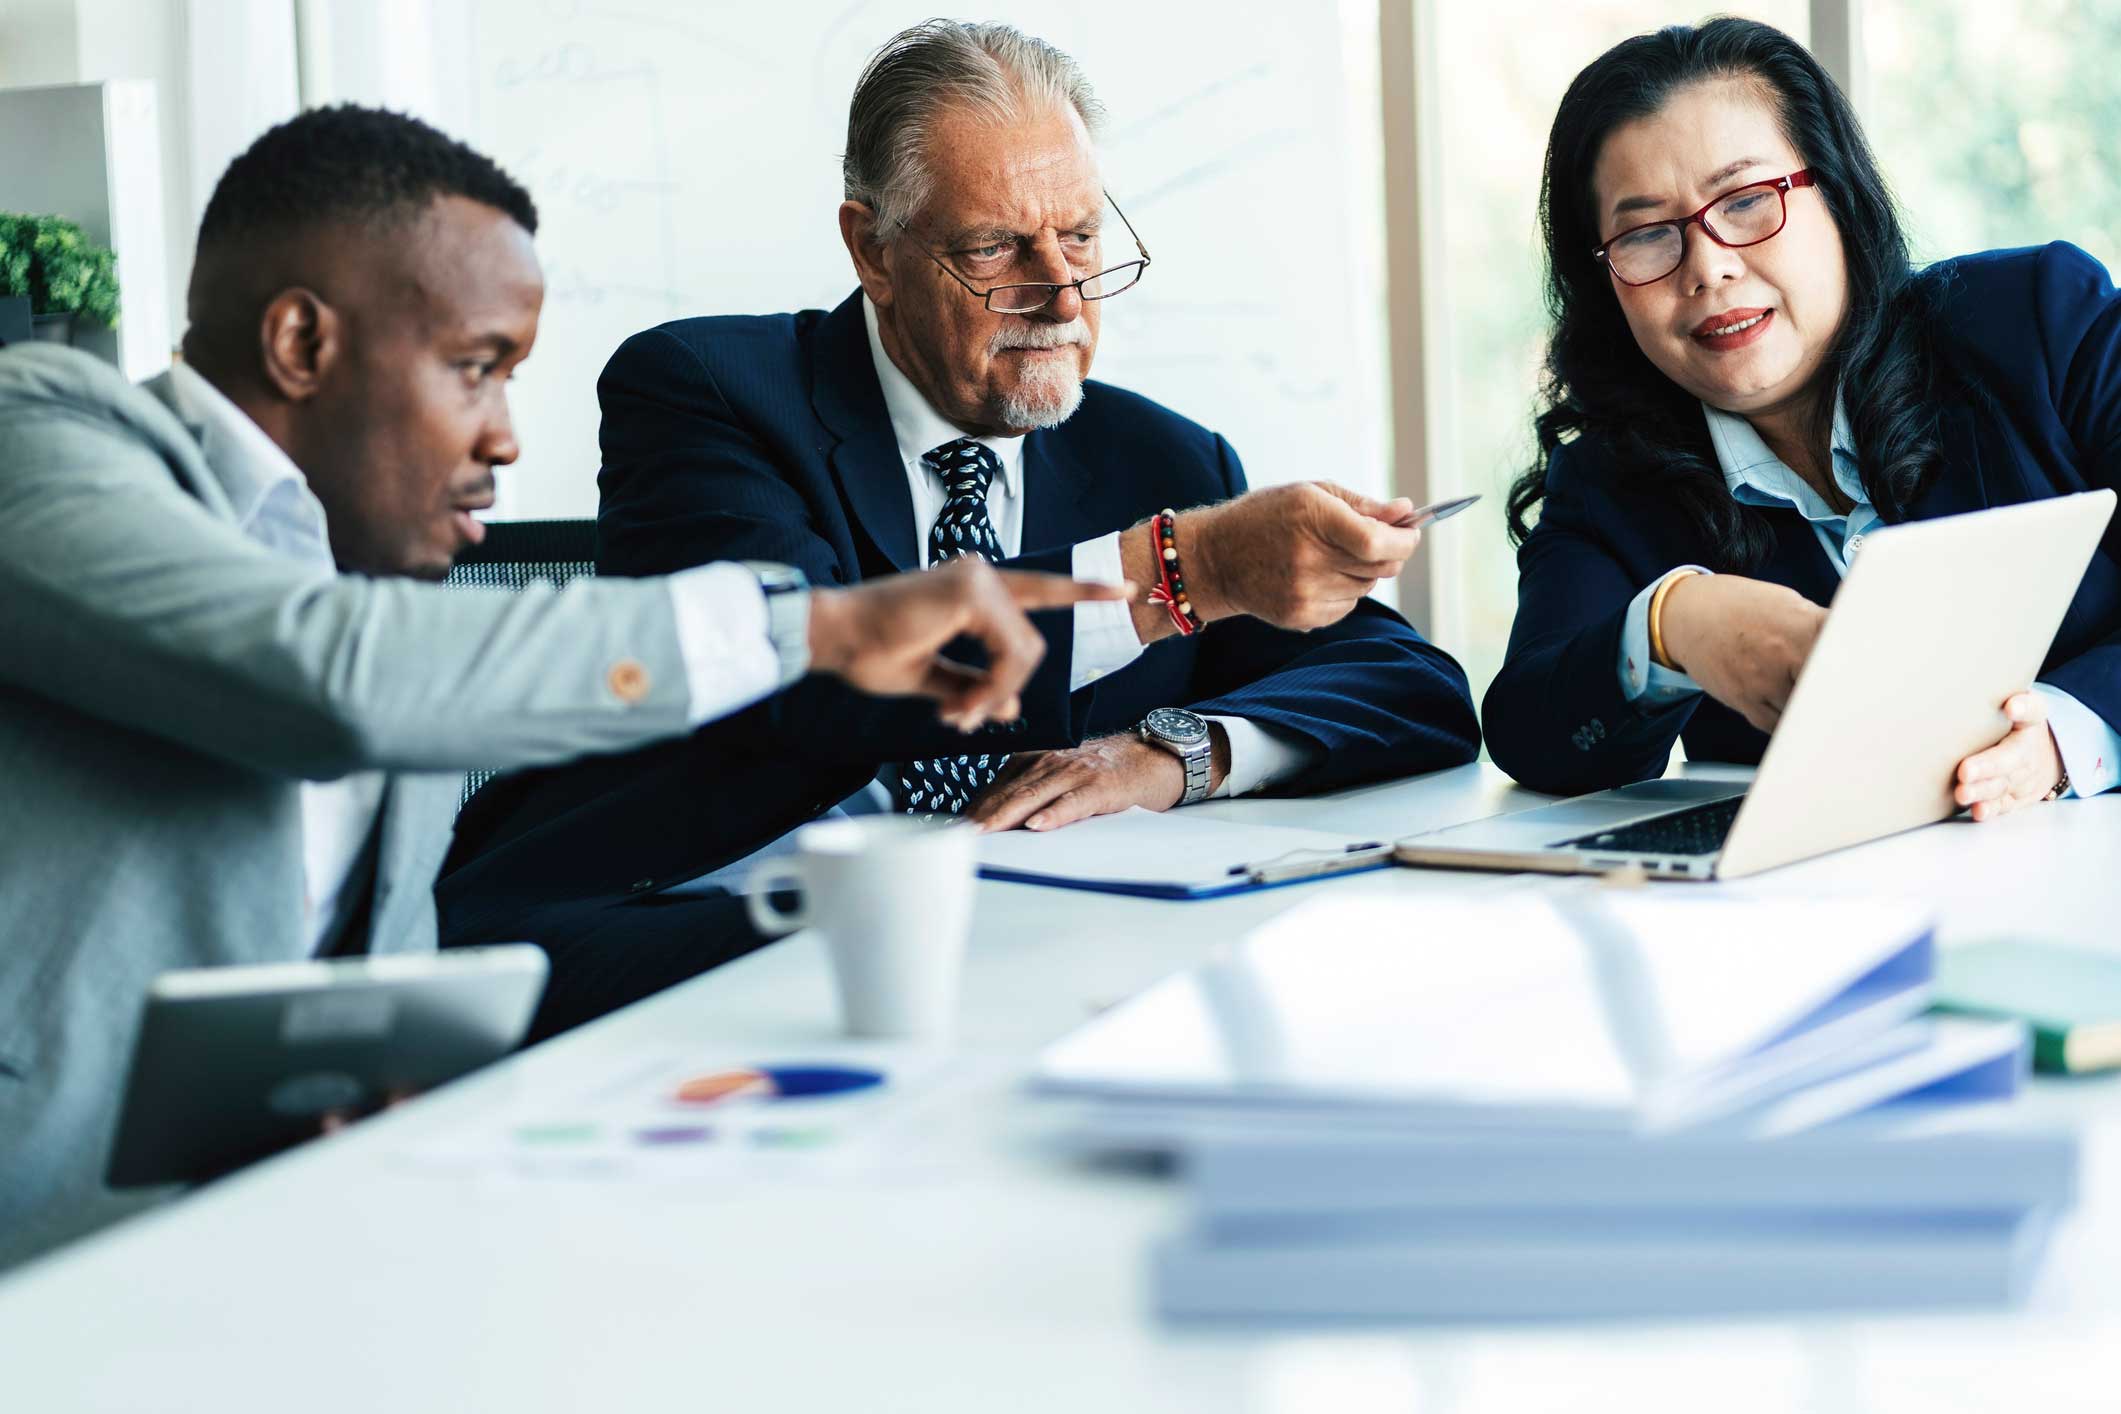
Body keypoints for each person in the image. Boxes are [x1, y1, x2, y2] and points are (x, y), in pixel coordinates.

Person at [0, 105, 1117, 1270]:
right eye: (476, 371)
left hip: (277, 1245)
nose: (506, 439)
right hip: (45, 1242)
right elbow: (326, 673)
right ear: (300, 344)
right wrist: (812, 628)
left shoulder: (392, 582)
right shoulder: (37, 438)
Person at [439, 20, 1481, 1016]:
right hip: (685, 922)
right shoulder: (707, 390)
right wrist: (1177, 573)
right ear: (874, 251)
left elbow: (1413, 690)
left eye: (1078, 235)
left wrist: (1173, 753)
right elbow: (807, 682)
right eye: (996, 249)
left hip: (1015, 945)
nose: (1065, 297)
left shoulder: (1160, 456)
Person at [1482, 18, 2121, 810]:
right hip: (1817, 909)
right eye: (1646, 234)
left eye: (1746, 201)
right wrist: (1672, 627)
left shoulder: (2039, 323)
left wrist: (2064, 733)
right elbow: (1530, 736)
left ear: (1839, 198)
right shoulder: (1609, 481)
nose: (1708, 267)